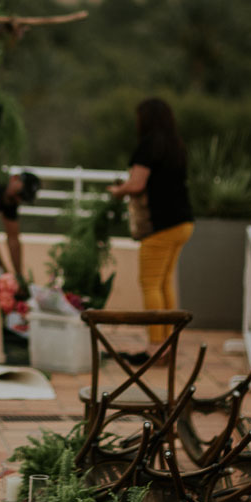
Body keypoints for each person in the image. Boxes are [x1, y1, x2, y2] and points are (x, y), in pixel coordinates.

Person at [108, 97, 194, 362]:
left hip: (160, 225)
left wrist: (117, 191)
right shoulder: (176, 146)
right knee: (165, 282)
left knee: (150, 284)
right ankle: (168, 344)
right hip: (183, 223)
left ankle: (156, 348)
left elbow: (136, 184)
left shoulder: (149, 146)